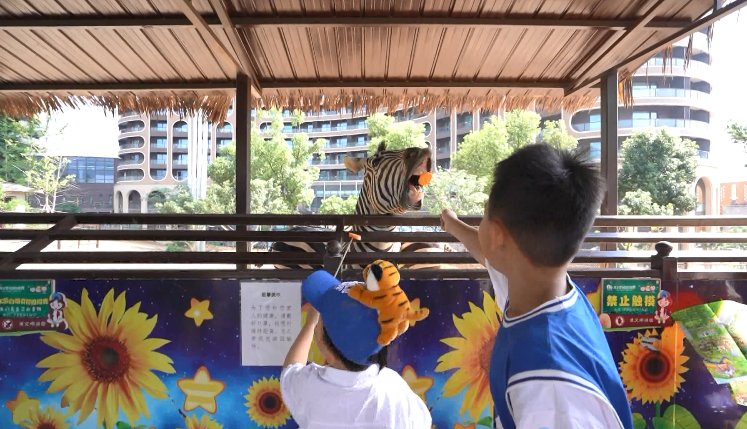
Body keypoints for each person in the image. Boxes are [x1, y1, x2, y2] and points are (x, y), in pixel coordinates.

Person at [440, 144, 634, 429]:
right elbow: (488, 255)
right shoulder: (540, 289)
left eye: (484, 215)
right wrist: (453, 225)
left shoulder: (549, 386)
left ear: (496, 235)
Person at [280, 264, 432, 429]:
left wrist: (309, 324)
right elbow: (421, 421)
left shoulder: (308, 387)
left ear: (329, 353)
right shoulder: (394, 389)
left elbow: (290, 370)